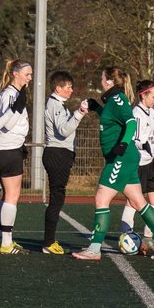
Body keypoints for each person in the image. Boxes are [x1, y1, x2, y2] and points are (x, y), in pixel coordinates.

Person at [72, 66, 154, 261]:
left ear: (110, 81)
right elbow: (113, 119)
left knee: (101, 200)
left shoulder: (118, 99)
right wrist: (96, 109)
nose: (101, 80)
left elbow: (130, 123)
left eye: (102, 77)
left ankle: (94, 249)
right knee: (139, 202)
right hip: (126, 158)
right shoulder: (113, 100)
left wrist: (122, 145)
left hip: (120, 158)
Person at [41, 70, 93, 255]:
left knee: (57, 197)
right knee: (57, 198)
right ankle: (48, 242)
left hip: (60, 154)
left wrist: (76, 113)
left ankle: (49, 241)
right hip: (57, 154)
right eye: (68, 86)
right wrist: (79, 113)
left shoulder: (59, 104)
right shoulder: (55, 104)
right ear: (58, 88)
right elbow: (63, 130)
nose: (71, 90)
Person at [0, 59, 32, 255]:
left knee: (8, 196)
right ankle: (6, 242)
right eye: (27, 74)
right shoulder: (9, 94)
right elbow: (5, 124)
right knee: (12, 196)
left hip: (11, 147)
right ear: (15, 74)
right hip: (7, 149)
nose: (30, 78)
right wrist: (18, 106)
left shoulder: (15, 93)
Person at [121, 79, 154, 253]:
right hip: (137, 164)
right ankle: (126, 236)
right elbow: (137, 141)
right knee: (133, 203)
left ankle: (147, 238)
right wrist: (146, 147)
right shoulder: (137, 114)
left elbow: (152, 140)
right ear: (143, 95)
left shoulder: (151, 112)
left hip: (149, 164)